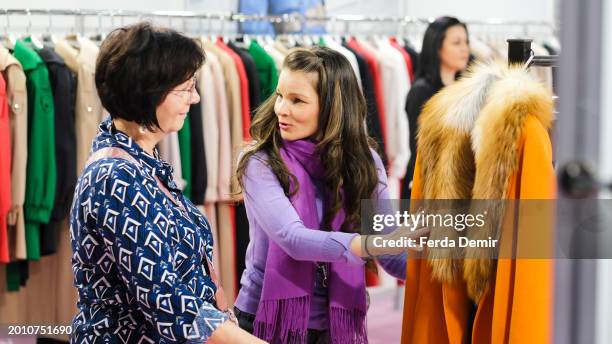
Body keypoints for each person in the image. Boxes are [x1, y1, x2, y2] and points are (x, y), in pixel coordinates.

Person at [69, 22, 264, 343]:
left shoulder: (141, 160)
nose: (197, 98)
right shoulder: (116, 177)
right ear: (149, 91)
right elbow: (167, 302)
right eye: (186, 88)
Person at [232, 46, 428, 343]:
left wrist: (445, 265)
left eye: (297, 100)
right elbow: (293, 239)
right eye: (280, 96)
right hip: (265, 323)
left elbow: (389, 251)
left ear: (332, 107)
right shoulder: (260, 161)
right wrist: (373, 244)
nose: (282, 109)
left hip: (336, 329)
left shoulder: (364, 162)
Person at [401, 16, 470, 199]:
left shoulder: (463, 89)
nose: (465, 49)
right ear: (437, 47)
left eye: (466, 42)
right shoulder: (422, 92)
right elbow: (420, 150)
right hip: (428, 187)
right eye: (456, 43)